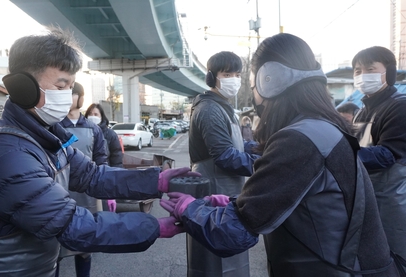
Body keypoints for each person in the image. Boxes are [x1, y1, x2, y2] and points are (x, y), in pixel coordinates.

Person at [0, 26, 197, 277]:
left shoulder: (46, 138)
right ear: (23, 88)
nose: (67, 96)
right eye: (61, 85)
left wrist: (158, 180)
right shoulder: (10, 156)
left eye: (71, 86)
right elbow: (72, 226)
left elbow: (93, 176)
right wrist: (154, 226)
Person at [160, 33, 401, 276]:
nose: (252, 93)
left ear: (269, 81)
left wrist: (190, 209)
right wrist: (235, 204)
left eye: (251, 83)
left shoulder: (298, 140)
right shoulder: (322, 128)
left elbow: (233, 234)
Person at [187, 51, 258, 276]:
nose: (234, 80)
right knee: (214, 257)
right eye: (228, 74)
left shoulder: (224, 107)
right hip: (212, 190)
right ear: (211, 77)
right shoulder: (209, 109)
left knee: (231, 250)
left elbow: (237, 146)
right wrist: (264, 166)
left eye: (237, 74)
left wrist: (261, 148)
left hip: (228, 192)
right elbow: (225, 155)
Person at [352, 46, 406, 266]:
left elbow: (387, 154)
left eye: (370, 69)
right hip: (368, 194)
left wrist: (342, 154)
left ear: (389, 72)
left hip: (392, 199)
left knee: (395, 258)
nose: (363, 75)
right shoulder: (362, 110)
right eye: (357, 70)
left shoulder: (399, 107)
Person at [58, 82, 110, 277]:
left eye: (70, 94)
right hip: (59, 193)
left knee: (85, 248)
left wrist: (105, 194)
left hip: (87, 195)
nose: (65, 98)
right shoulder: (54, 127)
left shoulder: (93, 129)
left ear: (80, 98)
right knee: (55, 251)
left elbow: (101, 160)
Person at [85, 103, 123, 168]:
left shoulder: (110, 134)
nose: (92, 116)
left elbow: (116, 159)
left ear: (101, 117)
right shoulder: (83, 132)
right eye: (90, 114)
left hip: (104, 172)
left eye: (96, 114)